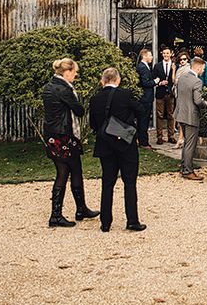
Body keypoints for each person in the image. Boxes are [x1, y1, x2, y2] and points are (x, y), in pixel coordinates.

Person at [42, 58, 99, 227]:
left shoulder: (49, 86)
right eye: (74, 72)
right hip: (65, 134)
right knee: (66, 171)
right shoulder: (64, 89)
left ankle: (80, 208)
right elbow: (79, 110)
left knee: (72, 169)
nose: (75, 75)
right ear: (67, 72)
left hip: (53, 133)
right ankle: (57, 214)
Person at [89, 67, 145, 232]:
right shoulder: (125, 95)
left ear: (103, 81)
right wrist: (131, 126)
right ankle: (132, 220)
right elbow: (141, 110)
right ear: (118, 80)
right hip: (125, 143)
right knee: (129, 182)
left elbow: (93, 124)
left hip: (105, 143)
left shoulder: (95, 99)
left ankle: (105, 222)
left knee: (107, 183)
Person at [175, 57, 207, 180]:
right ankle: (188, 170)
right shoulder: (197, 81)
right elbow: (198, 100)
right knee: (190, 144)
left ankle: (184, 166)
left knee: (185, 141)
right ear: (198, 67)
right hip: (191, 115)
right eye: (203, 68)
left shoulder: (182, 77)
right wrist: (206, 103)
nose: (203, 71)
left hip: (180, 113)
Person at [154, 45, 177, 145]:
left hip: (170, 93)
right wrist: (159, 83)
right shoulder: (157, 66)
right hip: (160, 93)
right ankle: (159, 137)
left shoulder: (175, 66)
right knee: (159, 115)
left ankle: (171, 136)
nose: (166, 55)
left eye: (167, 53)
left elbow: (175, 80)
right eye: (164, 53)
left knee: (171, 115)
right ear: (161, 54)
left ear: (171, 54)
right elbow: (153, 78)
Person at [136, 49, 157, 148]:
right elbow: (145, 83)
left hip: (145, 98)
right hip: (145, 98)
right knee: (144, 120)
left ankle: (140, 140)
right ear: (145, 56)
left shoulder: (144, 66)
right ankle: (143, 142)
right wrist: (155, 81)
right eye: (150, 55)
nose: (152, 57)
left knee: (142, 120)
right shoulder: (143, 68)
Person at [173, 51, 190, 148]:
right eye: (181, 59)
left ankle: (181, 139)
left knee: (182, 117)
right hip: (179, 95)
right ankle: (181, 138)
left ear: (187, 59)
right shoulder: (180, 69)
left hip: (184, 95)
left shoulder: (187, 69)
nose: (182, 61)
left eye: (184, 59)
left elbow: (175, 81)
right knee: (180, 117)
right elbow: (174, 81)